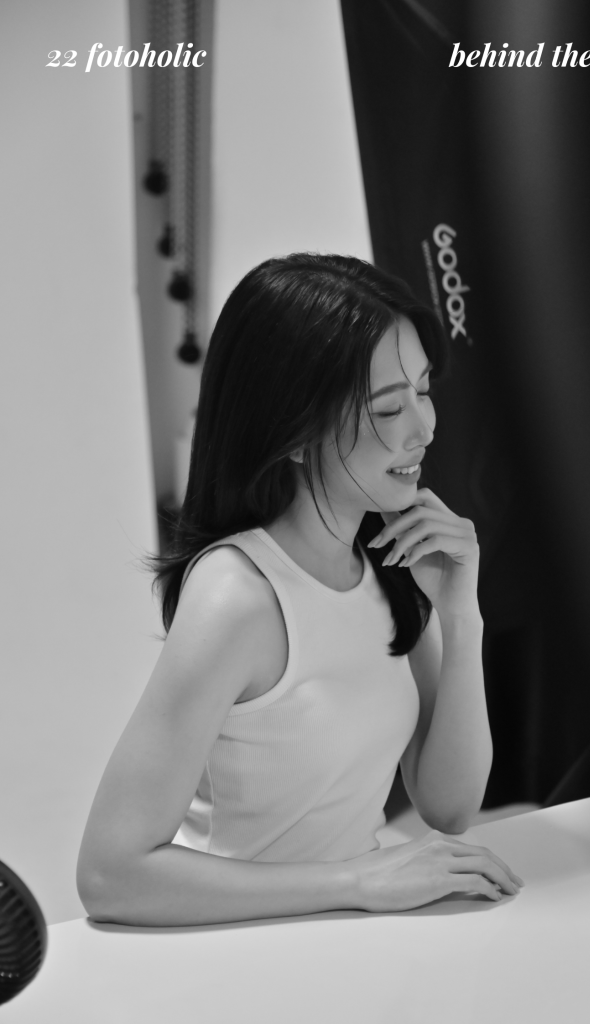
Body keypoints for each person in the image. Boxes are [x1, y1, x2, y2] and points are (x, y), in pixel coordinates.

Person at [77, 253, 523, 926]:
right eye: (388, 407)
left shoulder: (390, 561)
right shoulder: (238, 595)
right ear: (294, 431)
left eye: (424, 390)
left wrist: (462, 617)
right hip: (239, 946)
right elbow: (110, 874)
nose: (424, 428)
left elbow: (450, 805)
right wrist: (357, 879)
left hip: (344, 935)